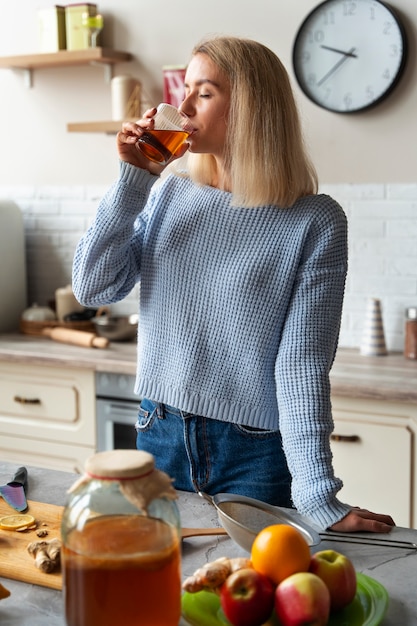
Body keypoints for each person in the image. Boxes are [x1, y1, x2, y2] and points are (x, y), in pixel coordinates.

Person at [72, 36, 394, 533]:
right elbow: (93, 287)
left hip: (255, 450)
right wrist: (132, 180)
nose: (181, 108)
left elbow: (301, 363)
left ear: (250, 107)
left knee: (252, 596)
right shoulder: (170, 194)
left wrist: (318, 495)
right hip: (159, 432)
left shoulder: (315, 221)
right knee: (163, 592)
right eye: (185, 90)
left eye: (204, 92)